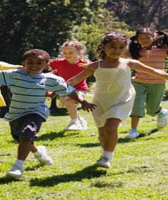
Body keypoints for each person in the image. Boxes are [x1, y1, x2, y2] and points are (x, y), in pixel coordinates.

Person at [0, 49, 96, 179]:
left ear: (46, 65)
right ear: (23, 63)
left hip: (36, 112)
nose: (34, 65)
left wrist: (83, 102)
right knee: (22, 138)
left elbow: (69, 91)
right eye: (30, 62)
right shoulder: (15, 74)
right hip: (16, 113)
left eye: (39, 63)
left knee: (26, 134)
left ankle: (18, 167)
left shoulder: (50, 79)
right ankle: (39, 152)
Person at [67, 32, 168, 168]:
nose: (116, 51)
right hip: (100, 101)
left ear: (125, 48)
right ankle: (104, 152)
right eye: (112, 47)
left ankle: (107, 158)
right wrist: (57, 87)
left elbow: (155, 72)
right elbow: (73, 81)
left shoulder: (129, 63)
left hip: (123, 99)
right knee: (103, 133)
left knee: (111, 127)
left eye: (121, 47)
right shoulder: (95, 66)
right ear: (103, 47)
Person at [125, 28, 168, 139]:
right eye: (141, 38)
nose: (144, 40)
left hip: (158, 83)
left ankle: (161, 112)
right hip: (139, 82)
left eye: (147, 37)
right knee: (136, 105)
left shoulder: (163, 49)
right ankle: (133, 130)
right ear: (137, 40)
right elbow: (118, 54)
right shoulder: (135, 51)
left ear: (154, 36)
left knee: (152, 109)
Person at [48, 41, 90, 131]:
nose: (67, 55)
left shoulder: (84, 63)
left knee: (69, 101)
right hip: (63, 90)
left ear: (79, 52)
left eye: (70, 52)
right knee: (69, 104)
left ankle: (74, 122)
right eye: (65, 52)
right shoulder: (58, 62)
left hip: (79, 89)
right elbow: (43, 65)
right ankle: (80, 120)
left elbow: (97, 67)